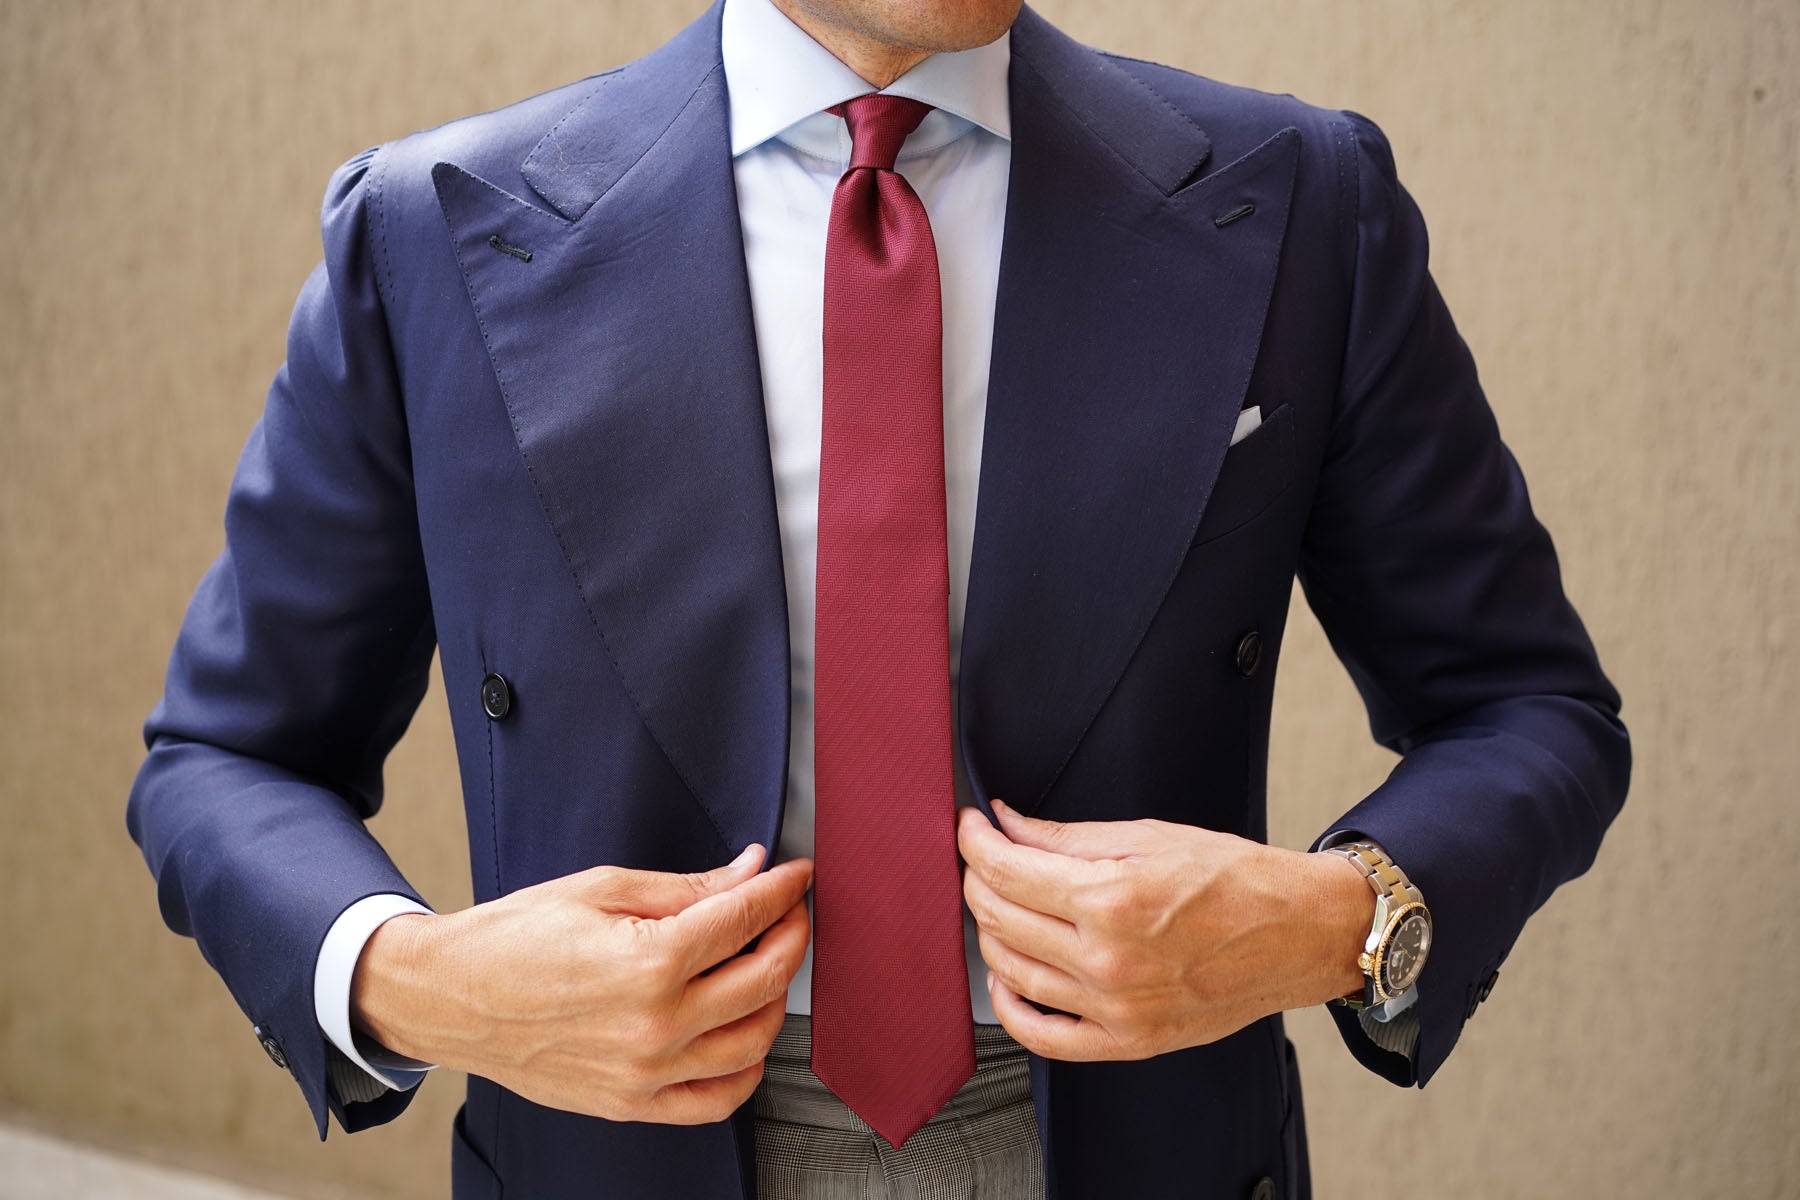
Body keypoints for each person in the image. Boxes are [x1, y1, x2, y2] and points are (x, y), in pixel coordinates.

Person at [126, 0, 1631, 1196]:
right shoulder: (429, 232)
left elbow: (1530, 709)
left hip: (1140, 1147)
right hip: (617, 1154)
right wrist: (422, 980)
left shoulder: (1300, 202)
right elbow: (224, 758)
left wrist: (1337, 922)